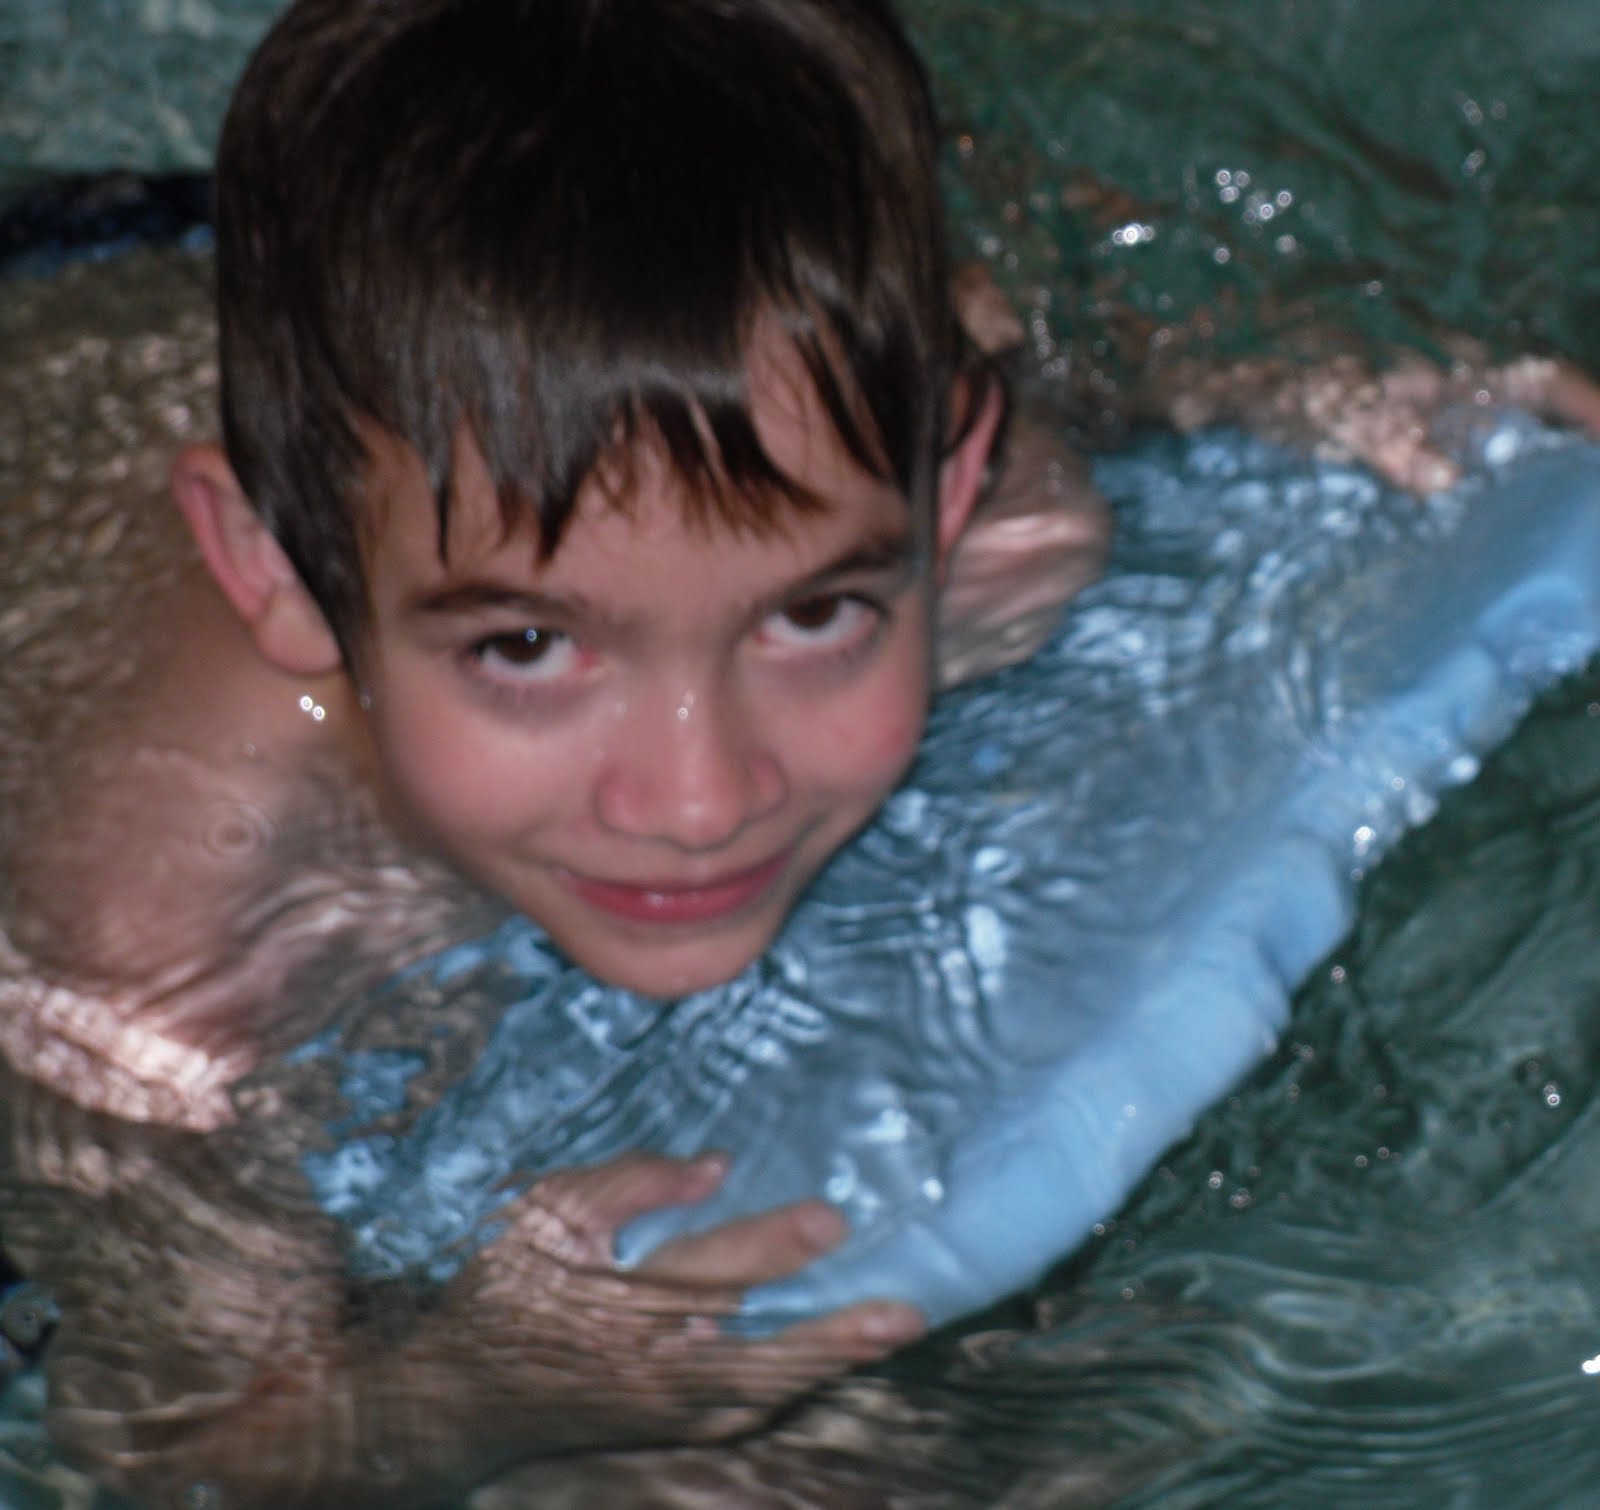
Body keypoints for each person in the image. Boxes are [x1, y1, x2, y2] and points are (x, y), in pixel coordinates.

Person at [5, 1, 1600, 1506]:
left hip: (438, 313)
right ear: (278, 572)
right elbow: (174, 1436)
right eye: (526, 646)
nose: (701, 798)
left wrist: (1299, 383)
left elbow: (1034, 307)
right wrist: (478, 1385)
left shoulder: (1008, 516)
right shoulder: (151, 944)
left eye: (818, 611)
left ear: (944, 486)